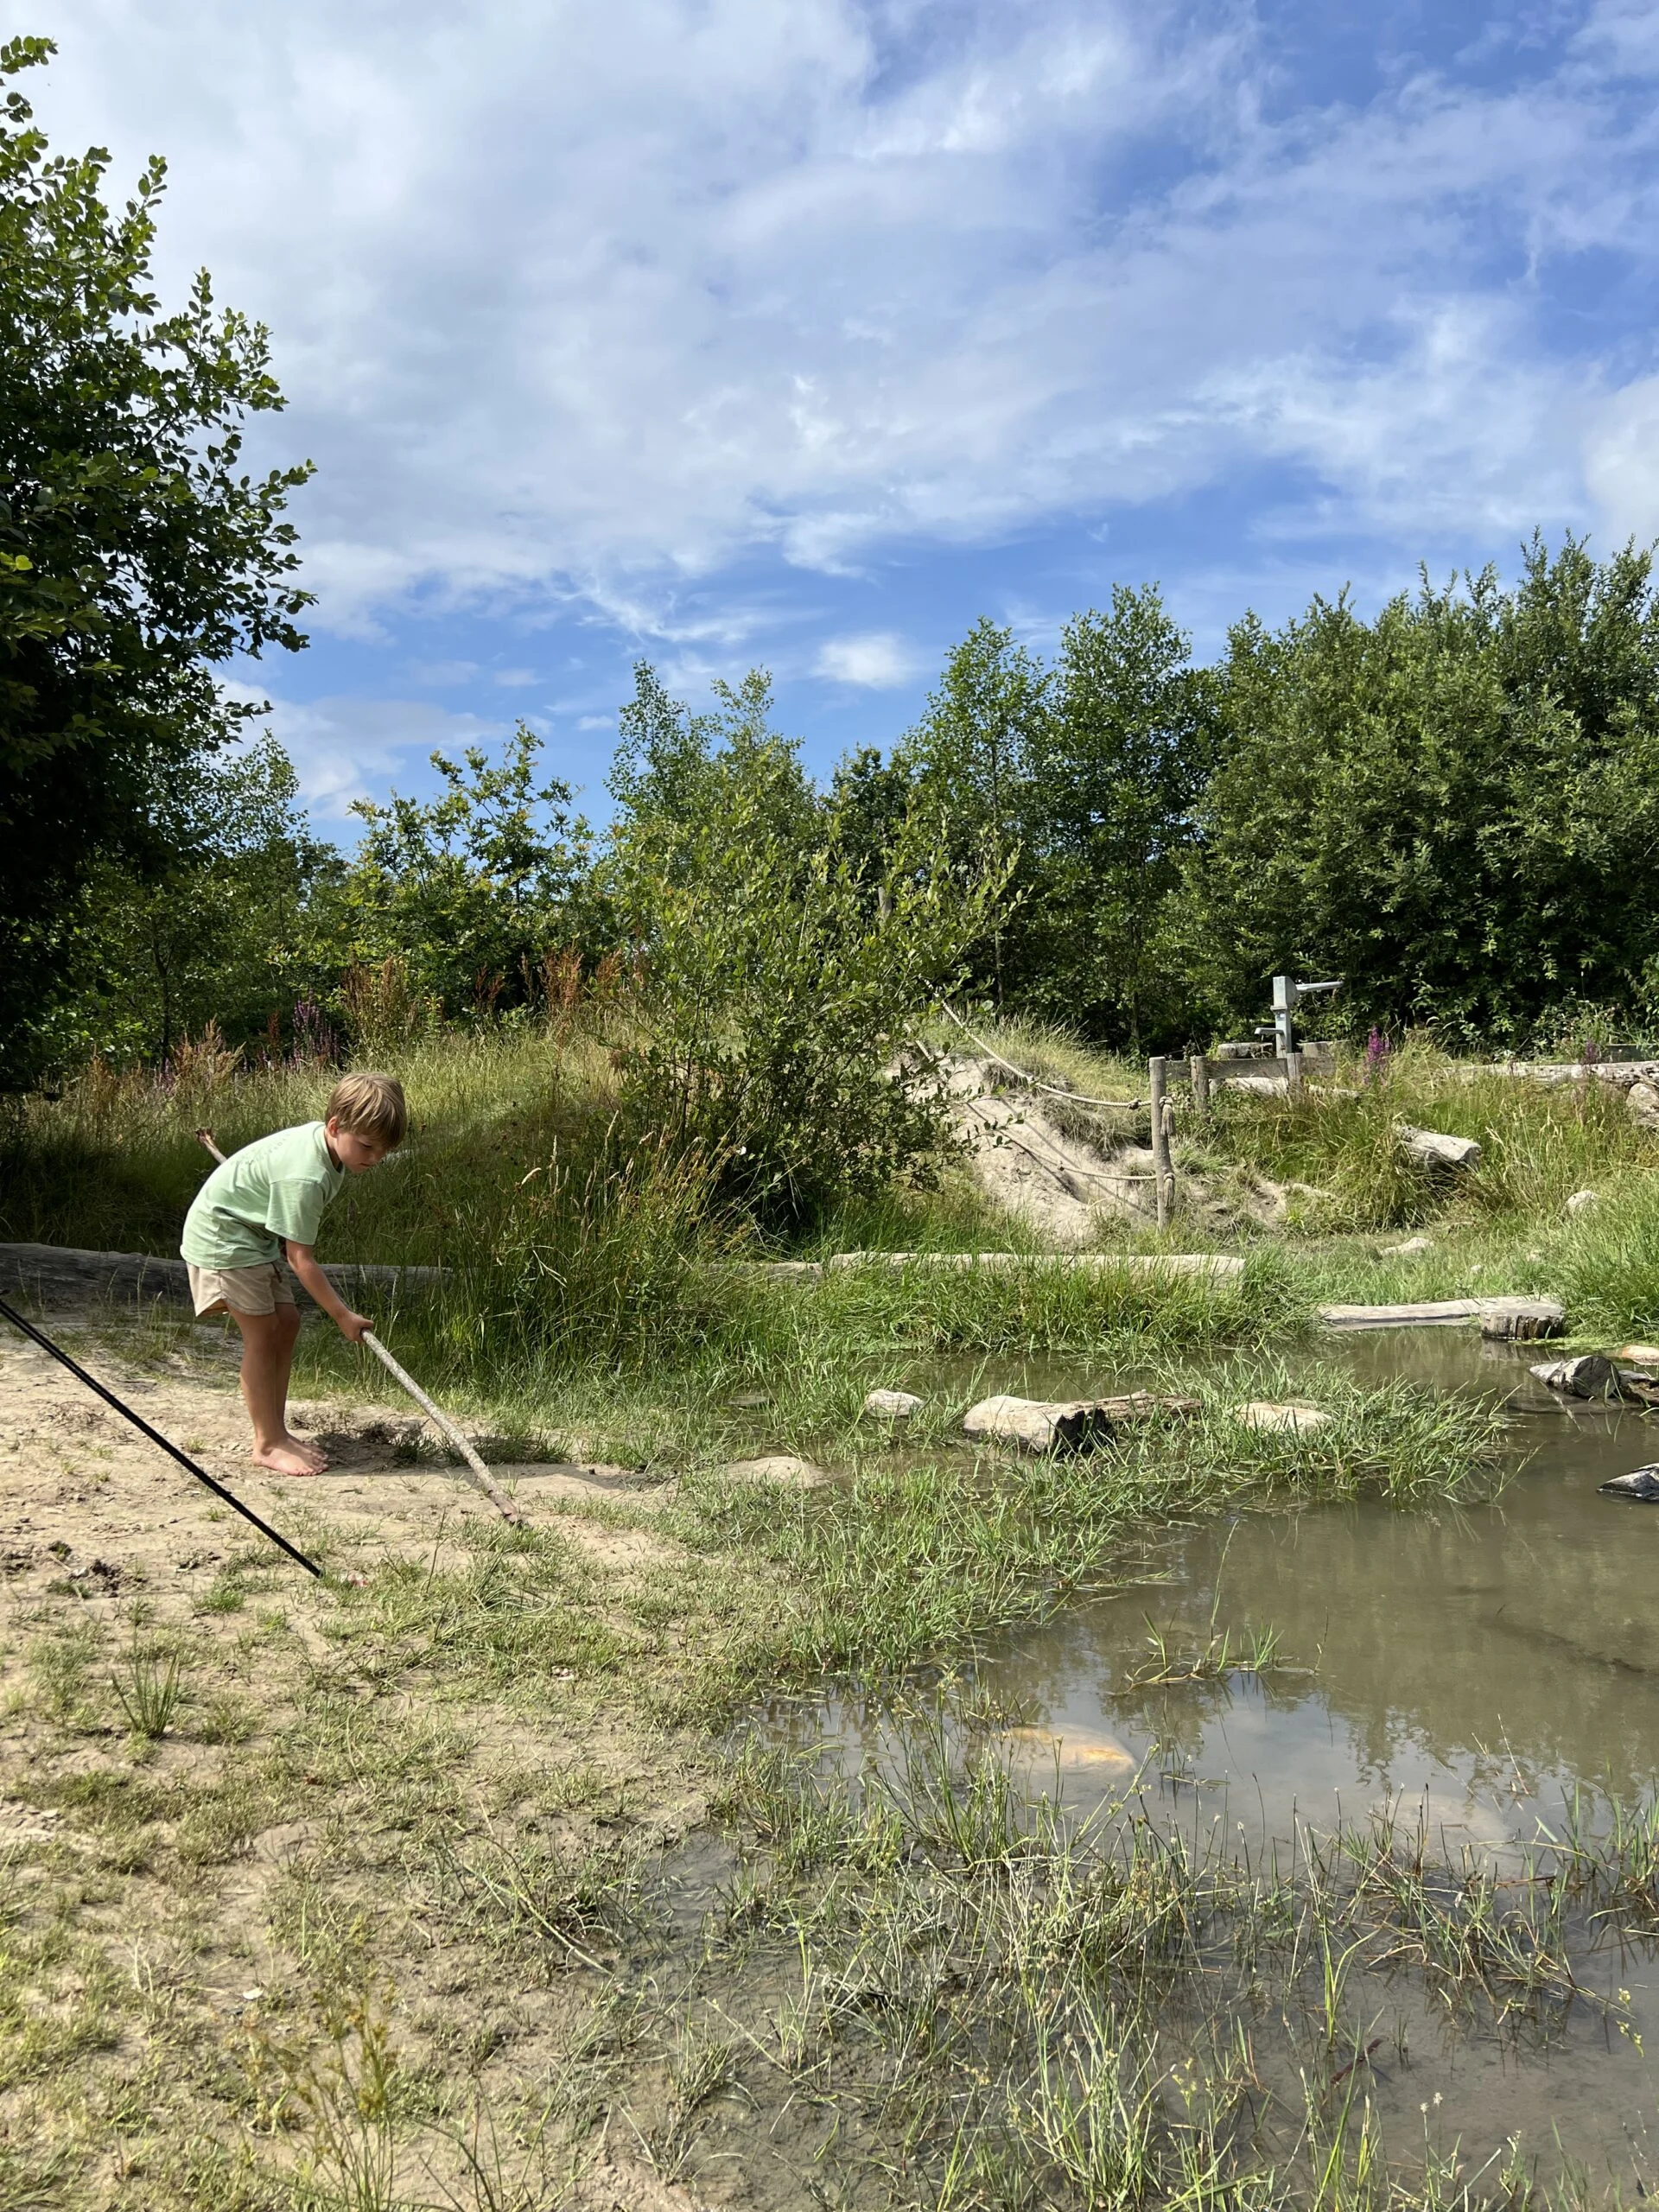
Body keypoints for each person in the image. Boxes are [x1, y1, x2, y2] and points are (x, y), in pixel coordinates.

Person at [181, 1071, 408, 1476]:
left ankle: (278, 1431)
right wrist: (343, 1315)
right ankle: (267, 1443)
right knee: (263, 1334)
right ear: (335, 1126)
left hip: (252, 1236)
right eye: (367, 1146)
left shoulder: (328, 1150)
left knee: (287, 1322)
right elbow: (300, 1259)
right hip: (223, 1238)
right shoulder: (307, 1176)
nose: (374, 1158)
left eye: (383, 1150)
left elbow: (289, 1242)